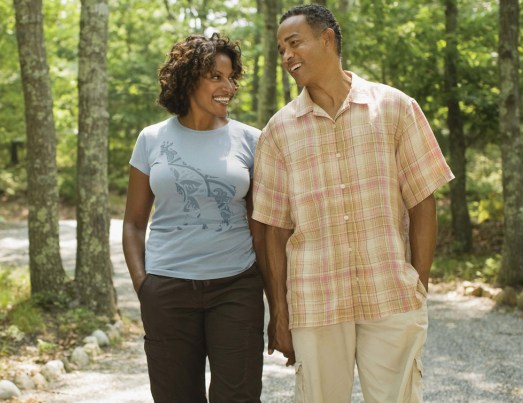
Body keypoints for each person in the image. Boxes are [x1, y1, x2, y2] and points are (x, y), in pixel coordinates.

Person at [252, 4, 454, 403]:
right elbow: (274, 228)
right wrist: (280, 310)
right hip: (315, 299)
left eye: (294, 44)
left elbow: (422, 199)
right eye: (280, 50)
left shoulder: (396, 107)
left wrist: (419, 284)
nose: (287, 56)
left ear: (327, 38)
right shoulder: (277, 132)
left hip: (391, 293)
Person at [122, 33, 266, 403]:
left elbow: (261, 223)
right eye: (216, 77)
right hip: (168, 290)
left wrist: (274, 297)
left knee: (238, 397)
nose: (228, 87)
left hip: (235, 288)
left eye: (231, 77)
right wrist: (145, 287)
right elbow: (134, 223)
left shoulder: (252, 140)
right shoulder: (151, 140)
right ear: (187, 79)